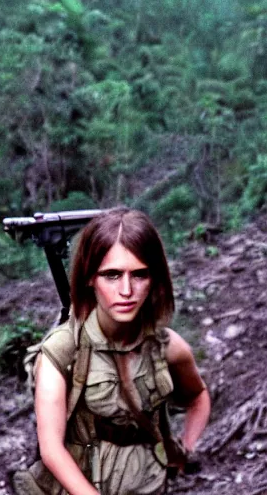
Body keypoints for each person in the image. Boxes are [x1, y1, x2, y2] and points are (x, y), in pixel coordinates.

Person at [14, 207, 210, 495]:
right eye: (112, 275)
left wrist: (184, 449)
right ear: (90, 278)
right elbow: (52, 450)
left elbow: (198, 396)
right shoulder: (62, 351)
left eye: (140, 274)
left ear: (154, 279)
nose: (127, 290)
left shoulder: (165, 346)